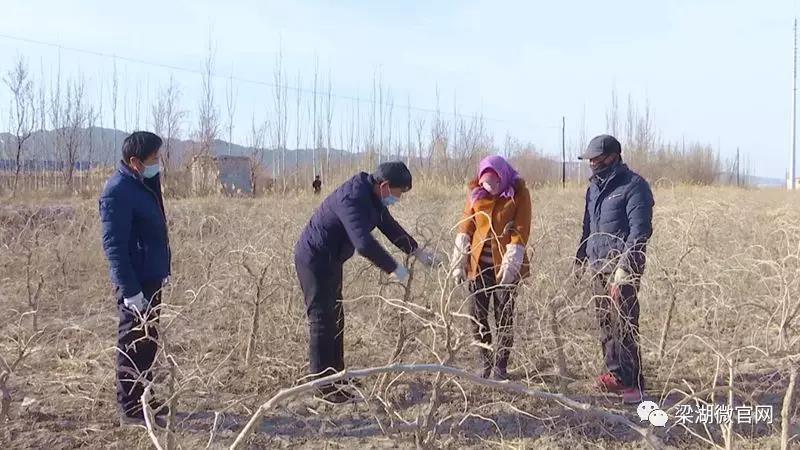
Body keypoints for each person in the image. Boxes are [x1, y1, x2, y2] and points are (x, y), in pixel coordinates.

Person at [294, 161, 440, 403]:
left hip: (332, 260)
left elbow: (390, 227)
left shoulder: (373, 198)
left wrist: (417, 252)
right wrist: (395, 269)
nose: (399, 199)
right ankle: (322, 387)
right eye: (398, 193)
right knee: (322, 319)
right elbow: (363, 244)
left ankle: (337, 376)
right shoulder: (352, 198)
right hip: (313, 259)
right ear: (384, 186)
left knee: (336, 317)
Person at [573, 134, 654, 404]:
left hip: (622, 268)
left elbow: (640, 231)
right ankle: (615, 374)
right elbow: (588, 226)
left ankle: (635, 383)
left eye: (596, 159)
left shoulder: (634, 186)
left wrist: (625, 267)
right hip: (598, 265)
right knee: (606, 324)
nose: (592, 163)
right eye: (590, 160)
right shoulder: (594, 188)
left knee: (625, 324)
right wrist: (580, 256)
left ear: (612, 157)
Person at [99, 131, 172, 426]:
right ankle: (130, 407)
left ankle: (144, 395)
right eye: (153, 159)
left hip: (151, 276)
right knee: (132, 342)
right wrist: (130, 290)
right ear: (135, 161)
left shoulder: (142, 184)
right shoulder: (116, 191)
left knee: (148, 341)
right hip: (135, 281)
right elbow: (114, 246)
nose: (158, 163)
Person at [450, 155, 531, 380]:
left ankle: (500, 365)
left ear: (503, 178)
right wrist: (459, 262)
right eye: (486, 184)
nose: (491, 189)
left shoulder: (519, 193)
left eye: (495, 184)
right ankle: (484, 361)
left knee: (503, 314)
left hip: (505, 266)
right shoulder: (476, 193)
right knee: (478, 315)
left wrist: (512, 261)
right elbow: (465, 227)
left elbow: (521, 229)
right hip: (478, 266)